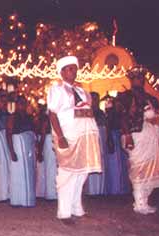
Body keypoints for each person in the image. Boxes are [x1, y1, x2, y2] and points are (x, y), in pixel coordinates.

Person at [47, 56, 101, 225]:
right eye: (69, 69)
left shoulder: (83, 91)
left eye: (75, 68)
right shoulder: (57, 90)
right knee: (67, 173)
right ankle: (64, 213)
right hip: (68, 136)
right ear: (62, 72)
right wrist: (61, 136)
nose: (74, 71)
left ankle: (77, 208)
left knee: (82, 172)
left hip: (86, 135)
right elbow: (52, 113)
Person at [117, 66, 159, 214]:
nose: (140, 80)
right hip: (135, 135)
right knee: (138, 167)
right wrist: (128, 135)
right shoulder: (124, 96)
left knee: (150, 169)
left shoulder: (151, 98)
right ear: (131, 80)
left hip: (152, 136)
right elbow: (122, 117)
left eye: (142, 78)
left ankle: (144, 200)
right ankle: (139, 203)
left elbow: (157, 118)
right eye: (137, 78)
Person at [7, 96, 36, 207]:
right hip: (18, 146)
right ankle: (17, 200)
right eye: (20, 103)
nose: (22, 106)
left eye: (24, 103)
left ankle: (27, 199)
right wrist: (12, 151)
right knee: (17, 173)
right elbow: (8, 134)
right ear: (17, 104)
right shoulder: (12, 117)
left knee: (29, 172)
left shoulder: (29, 117)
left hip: (28, 148)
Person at [84, 92, 106, 195]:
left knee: (100, 160)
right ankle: (92, 190)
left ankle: (100, 190)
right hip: (90, 137)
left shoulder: (101, 113)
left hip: (100, 136)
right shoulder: (86, 112)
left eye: (97, 99)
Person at [36, 102, 58, 200]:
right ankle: (50, 193)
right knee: (50, 168)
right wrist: (40, 150)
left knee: (50, 168)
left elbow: (43, 134)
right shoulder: (44, 119)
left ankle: (49, 192)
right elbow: (43, 133)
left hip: (50, 141)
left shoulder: (47, 118)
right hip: (48, 142)